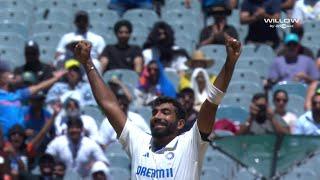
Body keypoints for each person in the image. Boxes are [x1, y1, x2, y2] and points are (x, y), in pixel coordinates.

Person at [73, 32, 241, 179]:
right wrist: (87, 63)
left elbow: (211, 103)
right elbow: (109, 105)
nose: (157, 116)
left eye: (165, 112)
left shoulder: (191, 143)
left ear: (180, 124)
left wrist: (230, 63)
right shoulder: (139, 141)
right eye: (155, 112)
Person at [0, 60, 66, 136]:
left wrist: (55, 78)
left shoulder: (18, 94)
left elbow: (39, 87)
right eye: (7, 73)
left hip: (19, 140)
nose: (11, 75)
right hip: (4, 142)